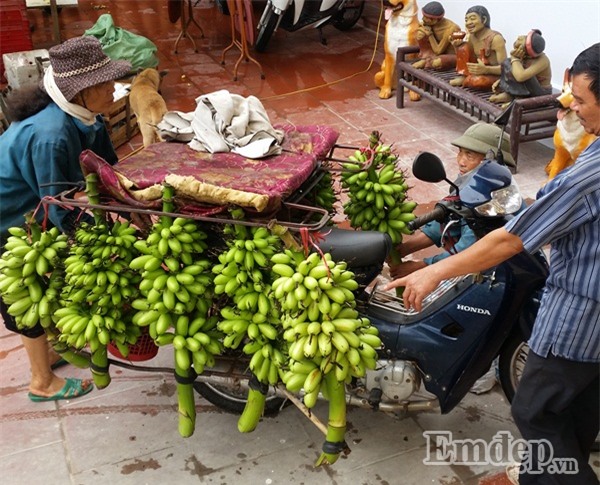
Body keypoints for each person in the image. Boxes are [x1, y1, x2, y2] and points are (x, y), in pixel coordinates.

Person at [385, 43, 600, 485]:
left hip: (581, 316)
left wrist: (431, 271)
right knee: (578, 408)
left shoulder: (590, 175)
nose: (573, 109)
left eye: (580, 100)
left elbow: (512, 239)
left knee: (533, 411)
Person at [0, 36, 131, 401]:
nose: (113, 88)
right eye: (104, 83)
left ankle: (51, 349)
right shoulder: (51, 136)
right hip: (4, 222)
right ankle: (41, 382)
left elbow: (109, 173)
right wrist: (105, 243)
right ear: (81, 91)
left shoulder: (89, 118)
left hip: (31, 210)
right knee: (27, 296)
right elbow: (60, 211)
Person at [390, 122, 516, 279]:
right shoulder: (469, 182)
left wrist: (422, 267)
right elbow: (450, 219)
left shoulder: (491, 197)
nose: (461, 161)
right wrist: (404, 249)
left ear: (491, 162)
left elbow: (469, 248)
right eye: (460, 152)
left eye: (469, 155)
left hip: (497, 269)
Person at [450, 5, 507, 90]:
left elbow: (506, 68)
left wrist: (486, 69)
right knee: (463, 47)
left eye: (472, 19)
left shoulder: (496, 39)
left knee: (477, 81)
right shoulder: (471, 37)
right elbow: (468, 59)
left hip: (494, 75)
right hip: (476, 72)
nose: (468, 22)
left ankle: (468, 80)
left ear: (484, 20)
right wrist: (457, 47)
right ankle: (466, 76)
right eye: (466, 20)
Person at [489, 29, 552, 105]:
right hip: (527, 88)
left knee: (518, 68)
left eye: (520, 41)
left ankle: (518, 100)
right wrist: (502, 81)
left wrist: (515, 58)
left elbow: (520, 77)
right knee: (508, 62)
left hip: (539, 93)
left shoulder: (543, 60)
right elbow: (512, 70)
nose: (519, 37)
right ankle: (511, 95)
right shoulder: (525, 56)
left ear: (525, 49)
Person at [413, 1, 462, 71]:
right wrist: (422, 30)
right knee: (420, 33)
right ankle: (425, 57)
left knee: (437, 63)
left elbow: (438, 51)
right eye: (424, 16)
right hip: (435, 54)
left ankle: (427, 62)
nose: (423, 19)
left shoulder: (451, 28)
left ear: (435, 20)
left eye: (426, 17)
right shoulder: (430, 23)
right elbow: (420, 27)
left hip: (451, 55)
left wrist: (430, 34)